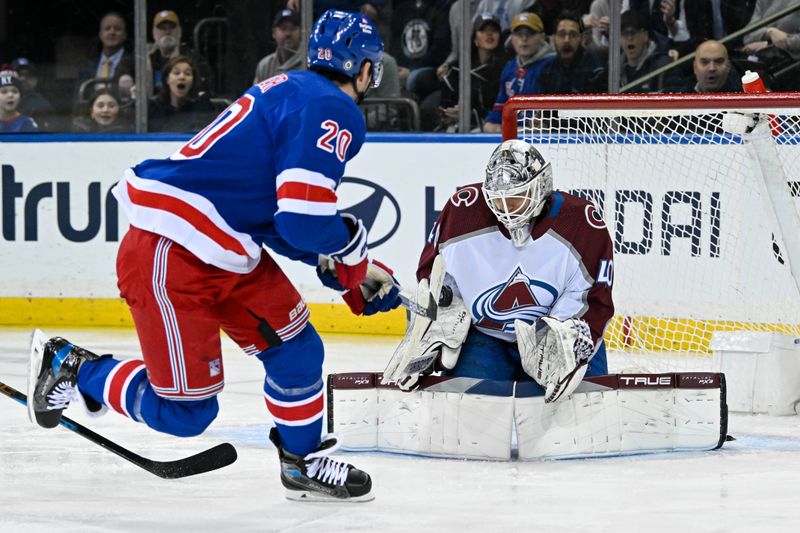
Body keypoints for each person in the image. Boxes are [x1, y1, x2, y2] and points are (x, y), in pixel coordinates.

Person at [28, 9, 398, 502]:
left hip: (225, 244)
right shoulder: (334, 108)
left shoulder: (290, 88)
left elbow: (272, 216)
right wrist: (351, 252)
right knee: (186, 413)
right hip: (173, 252)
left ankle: (301, 463)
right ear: (367, 70)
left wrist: (339, 266)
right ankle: (75, 367)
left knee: (297, 351)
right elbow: (303, 222)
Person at [394, 140, 613, 398]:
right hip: (484, 337)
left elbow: (593, 298)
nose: (507, 210)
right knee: (468, 418)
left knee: (581, 420)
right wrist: (441, 320)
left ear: (540, 187)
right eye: (499, 201)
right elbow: (434, 278)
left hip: (557, 331)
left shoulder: (581, 223)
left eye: (517, 198)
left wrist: (560, 338)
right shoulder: (462, 211)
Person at [482, 12, 554, 133]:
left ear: (542, 36)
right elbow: (500, 107)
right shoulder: (510, 67)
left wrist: (545, 122)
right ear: (512, 38)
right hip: (515, 132)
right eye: (519, 34)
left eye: (530, 34)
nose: (524, 39)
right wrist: (491, 123)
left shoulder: (552, 65)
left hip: (544, 136)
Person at [438, 12, 507, 132]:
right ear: (475, 37)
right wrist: (449, 113)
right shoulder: (458, 68)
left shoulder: (507, 67)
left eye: (494, 31)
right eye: (483, 30)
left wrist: (469, 115)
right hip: (456, 126)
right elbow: (446, 104)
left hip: (491, 128)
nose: (489, 34)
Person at [148, 10, 214, 96]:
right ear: (154, 33)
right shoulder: (147, 58)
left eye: (171, 27)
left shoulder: (193, 59)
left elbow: (203, 88)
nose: (168, 32)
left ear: (180, 32)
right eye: (162, 28)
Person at [539, 11, 606, 94]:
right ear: (553, 39)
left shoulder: (595, 72)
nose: (567, 40)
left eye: (573, 35)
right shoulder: (547, 70)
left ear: (582, 39)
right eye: (562, 34)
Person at [74, 12, 135, 104]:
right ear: (100, 35)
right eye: (107, 28)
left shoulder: (134, 64)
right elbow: (78, 103)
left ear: (124, 35)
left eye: (117, 29)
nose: (112, 32)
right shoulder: (87, 67)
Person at [618, 10, 681, 93]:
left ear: (645, 35)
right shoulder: (614, 70)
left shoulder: (664, 67)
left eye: (633, 32)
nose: (629, 38)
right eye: (624, 33)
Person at [148, 55, 215, 133]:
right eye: (176, 73)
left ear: (193, 80)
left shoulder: (201, 107)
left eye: (187, 73)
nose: (182, 77)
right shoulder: (154, 108)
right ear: (167, 79)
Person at [254, 8, 304, 84]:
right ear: (274, 33)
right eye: (283, 28)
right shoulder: (265, 65)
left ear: (301, 33)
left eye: (293, 28)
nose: (288, 34)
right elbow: (255, 95)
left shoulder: (307, 63)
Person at [10, 58, 55, 131]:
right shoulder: (3, 102)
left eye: (28, 75)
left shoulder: (42, 104)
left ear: (35, 80)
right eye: (19, 74)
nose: (23, 78)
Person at [0, 69, 38, 133]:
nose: (10, 95)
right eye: (4, 92)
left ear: (20, 97)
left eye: (15, 91)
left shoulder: (27, 124)